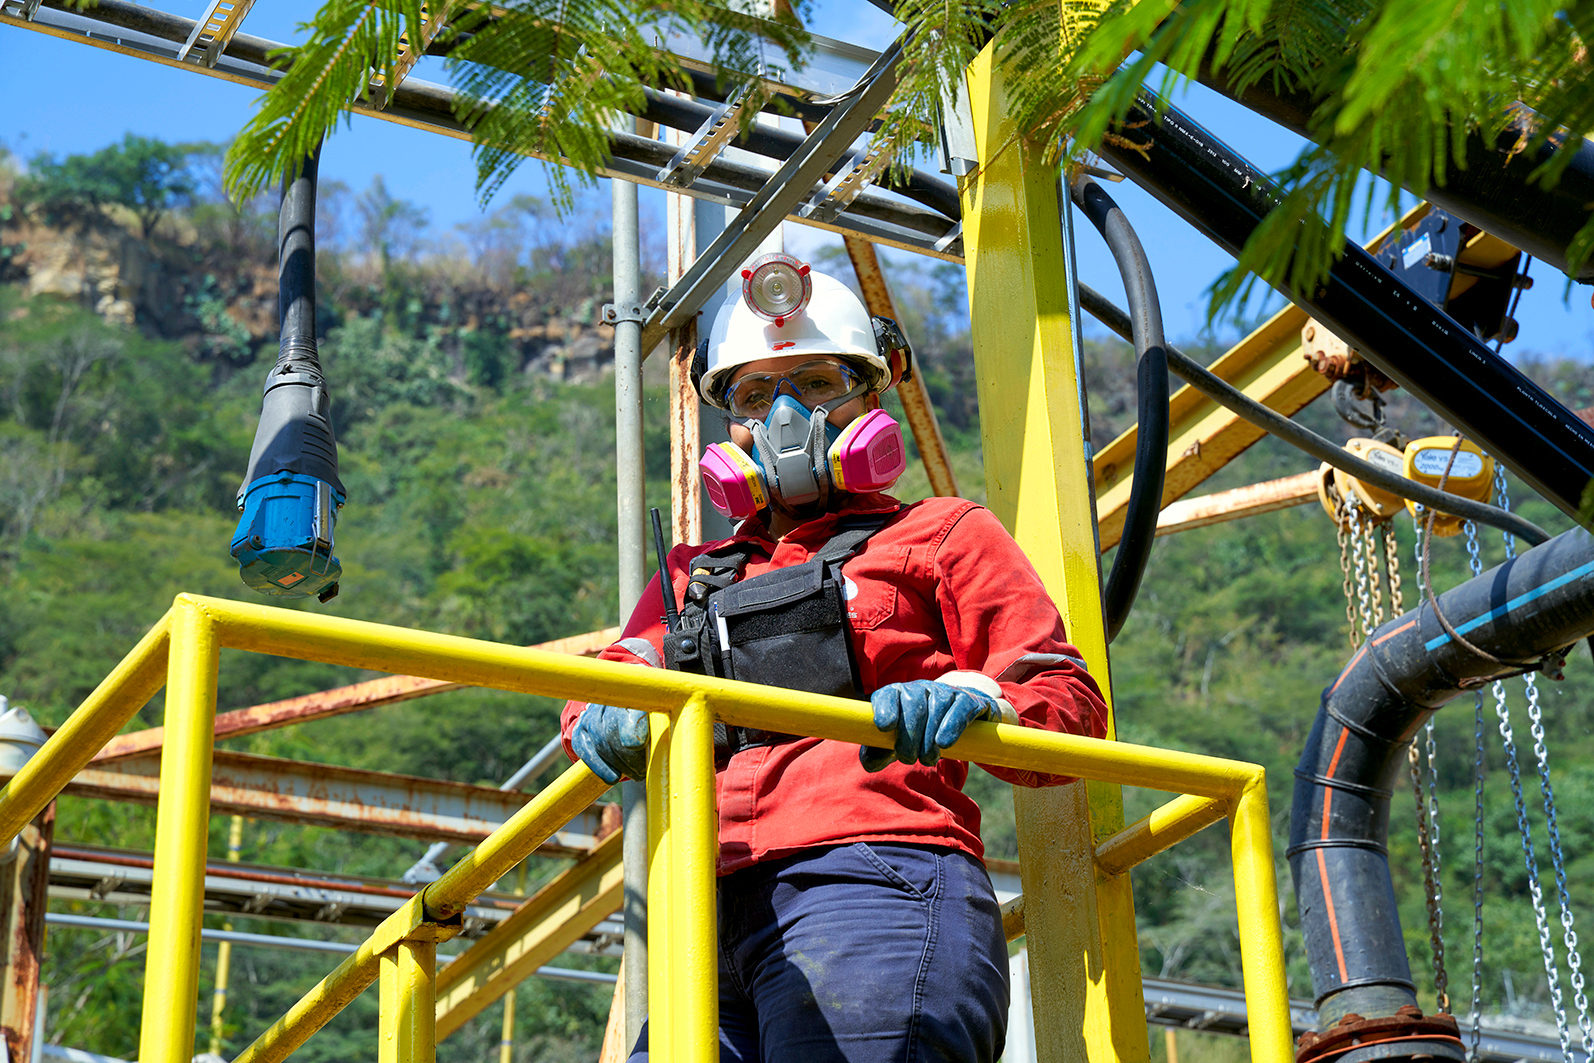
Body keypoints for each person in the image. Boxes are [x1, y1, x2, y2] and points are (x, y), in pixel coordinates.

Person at [562, 257, 1108, 1063]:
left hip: (876, 886)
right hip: (705, 916)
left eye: (816, 383)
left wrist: (980, 701)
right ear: (731, 426)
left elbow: (1068, 701)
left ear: (870, 397)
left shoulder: (943, 533)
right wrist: (607, 705)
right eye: (754, 396)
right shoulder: (691, 575)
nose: (785, 415)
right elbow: (608, 678)